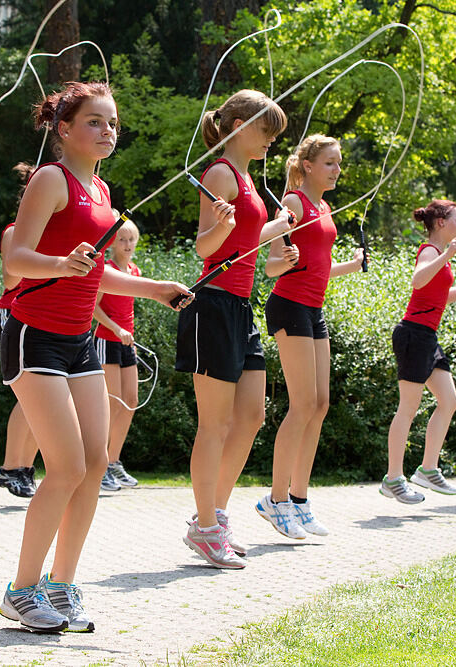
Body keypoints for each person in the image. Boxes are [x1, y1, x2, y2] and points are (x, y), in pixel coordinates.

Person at [0, 81, 191, 632]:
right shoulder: (51, 179)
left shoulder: (102, 192)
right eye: (95, 122)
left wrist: (154, 288)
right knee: (63, 467)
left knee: (93, 467)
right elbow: (16, 257)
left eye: (113, 124)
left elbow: (97, 272)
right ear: (63, 129)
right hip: (33, 333)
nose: (108, 131)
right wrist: (61, 265)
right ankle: (21, 590)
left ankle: (60, 586)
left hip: (81, 337)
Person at [174, 89, 293, 568]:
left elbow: (245, 238)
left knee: (250, 418)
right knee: (216, 424)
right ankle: (205, 528)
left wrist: (280, 231)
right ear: (240, 125)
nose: (271, 142)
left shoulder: (243, 176)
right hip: (213, 304)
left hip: (241, 307)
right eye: (267, 131)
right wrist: (224, 227)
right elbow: (207, 247)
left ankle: (214, 517)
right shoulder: (220, 172)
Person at [255, 135, 363, 538]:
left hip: (313, 309)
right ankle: (275, 499)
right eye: (330, 163)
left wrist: (350, 267)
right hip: (289, 306)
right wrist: (282, 259)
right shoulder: (295, 203)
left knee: (319, 404)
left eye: (338, 163)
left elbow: (318, 269)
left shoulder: (324, 207)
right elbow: (269, 263)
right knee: (302, 405)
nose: (337, 170)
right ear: (309, 166)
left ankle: (299, 500)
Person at [381, 200, 456, 504]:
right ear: (441, 223)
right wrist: (448, 253)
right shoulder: (430, 251)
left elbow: (441, 296)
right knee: (408, 408)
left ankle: (427, 470)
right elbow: (417, 280)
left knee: (449, 400)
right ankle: (393, 478)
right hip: (413, 335)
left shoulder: (442, 258)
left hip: (428, 337)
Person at [0, 163, 40, 499]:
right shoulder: (14, 232)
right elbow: (11, 279)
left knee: (45, 401)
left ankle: (25, 468)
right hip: (14, 313)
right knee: (29, 397)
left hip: (45, 314)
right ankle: (11, 467)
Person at [93, 217, 142, 491]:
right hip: (106, 340)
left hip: (127, 344)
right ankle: (99, 467)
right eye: (122, 239)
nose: (127, 244)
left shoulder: (134, 270)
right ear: (113, 243)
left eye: (131, 239)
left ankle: (113, 462)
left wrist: (129, 335)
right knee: (111, 404)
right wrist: (116, 328)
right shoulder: (108, 269)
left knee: (130, 402)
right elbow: (93, 309)